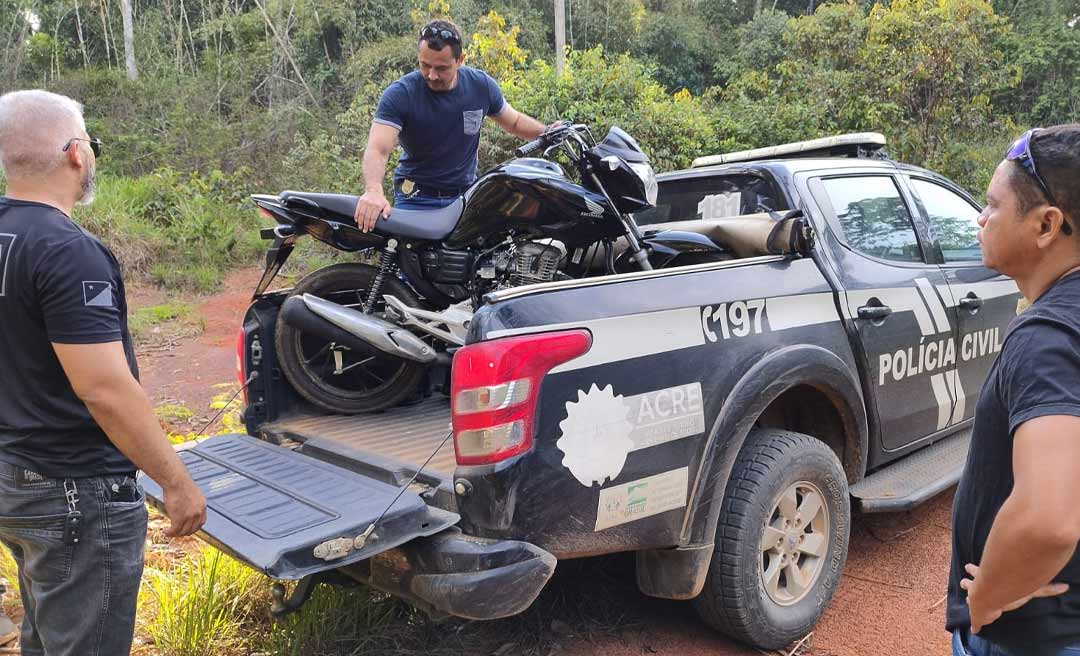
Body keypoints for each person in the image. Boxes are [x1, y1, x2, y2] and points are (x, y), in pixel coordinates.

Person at [0, 90, 207, 655]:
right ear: (74, 154)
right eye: (91, 144)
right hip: (74, 491)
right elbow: (104, 388)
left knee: (47, 636)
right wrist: (176, 481)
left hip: (16, 477)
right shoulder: (68, 252)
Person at [947, 124, 1080, 656]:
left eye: (992, 205)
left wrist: (988, 598)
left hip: (1030, 638)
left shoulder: (1047, 339)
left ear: (1046, 224)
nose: (980, 219)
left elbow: (1046, 521)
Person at [354, 19, 553, 231]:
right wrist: (373, 190)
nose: (431, 75)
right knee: (410, 262)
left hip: (466, 198)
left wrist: (548, 132)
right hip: (416, 198)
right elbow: (378, 149)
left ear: (460, 60)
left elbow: (513, 122)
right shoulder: (401, 94)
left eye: (441, 68)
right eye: (425, 65)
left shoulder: (481, 86)